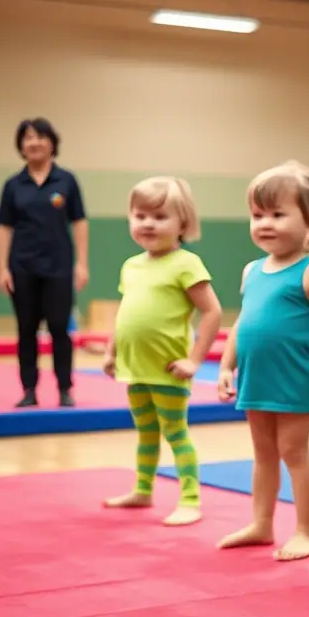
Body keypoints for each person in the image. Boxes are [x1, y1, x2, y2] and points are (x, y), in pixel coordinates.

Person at [216, 161, 309, 561]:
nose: (265, 224)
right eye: (258, 215)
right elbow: (242, 322)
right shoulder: (252, 270)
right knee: (262, 454)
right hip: (255, 379)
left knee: (294, 452)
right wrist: (226, 365)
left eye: (278, 214)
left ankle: (306, 531)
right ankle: (261, 523)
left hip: (292, 379)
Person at [102, 177, 221, 527]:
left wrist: (195, 359)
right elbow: (125, 313)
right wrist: (112, 352)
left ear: (182, 224)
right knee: (146, 432)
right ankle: (143, 489)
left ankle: (190, 498)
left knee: (175, 432)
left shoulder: (186, 263)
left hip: (169, 369)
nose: (148, 223)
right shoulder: (132, 265)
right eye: (140, 215)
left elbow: (212, 311)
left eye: (159, 216)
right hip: (135, 367)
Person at [0, 118, 89, 408]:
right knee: (26, 330)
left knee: (60, 328)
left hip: (59, 268)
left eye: (40, 137)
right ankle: (29, 390)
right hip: (22, 267)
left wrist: (82, 263)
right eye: (28, 138)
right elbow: (3, 227)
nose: (34, 142)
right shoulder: (13, 185)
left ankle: (64, 388)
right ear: (21, 146)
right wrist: (2, 268)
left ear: (52, 143)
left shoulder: (67, 181)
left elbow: (79, 221)